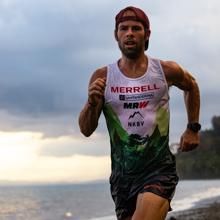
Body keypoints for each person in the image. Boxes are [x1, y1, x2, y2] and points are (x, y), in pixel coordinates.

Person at [78, 6, 200, 220]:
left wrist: (192, 128)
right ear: (116, 34)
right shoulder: (103, 77)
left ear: (147, 34)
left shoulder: (165, 70)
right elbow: (86, 130)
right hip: (122, 177)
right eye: (123, 28)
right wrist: (91, 103)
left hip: (158, 170)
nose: (130, 33)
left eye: (136, 28)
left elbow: (191, 85)